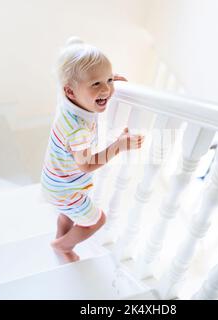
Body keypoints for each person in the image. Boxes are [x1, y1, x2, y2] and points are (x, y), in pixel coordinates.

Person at [40, 37, 144, 263]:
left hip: (56, 181)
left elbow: (81, 83)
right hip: (65, 189)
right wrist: (118, 145)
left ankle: (61, 237)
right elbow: (86, 164)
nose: (107, 88)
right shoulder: (78, 129)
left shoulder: (67, 98)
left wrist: (100, 81)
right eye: (96, 84)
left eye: (108, 80)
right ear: (71, 91)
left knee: (67, 214)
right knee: (96, 221)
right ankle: (61, 245)